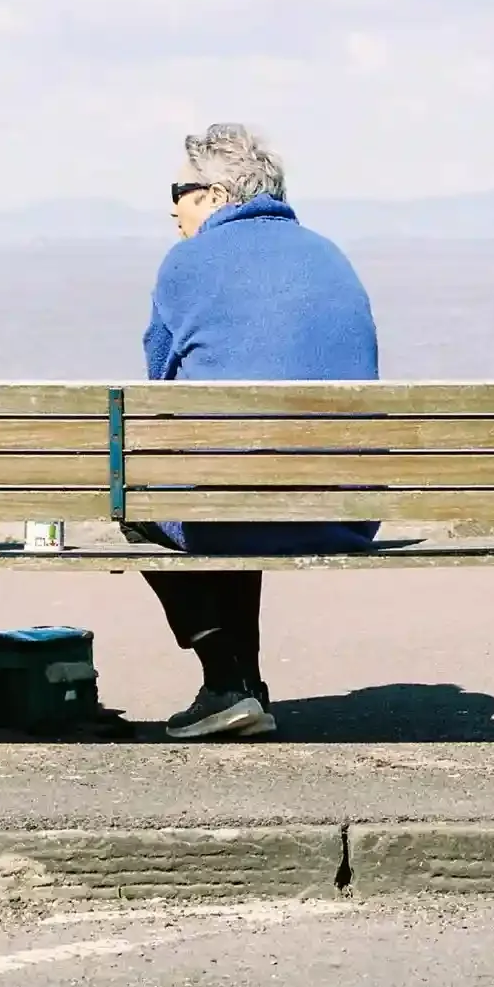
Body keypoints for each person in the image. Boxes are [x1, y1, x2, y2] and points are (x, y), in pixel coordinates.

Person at [137, 122, 381, 739]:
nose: (171, 206)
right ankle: (244, 689)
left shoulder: (186, 262)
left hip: (244, 503)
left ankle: (227, 679)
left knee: (141, 502)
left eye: (180, 189)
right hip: (345, 508)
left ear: (217, 196)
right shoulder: (329, 251)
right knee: (233, 489)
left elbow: (157, 390)